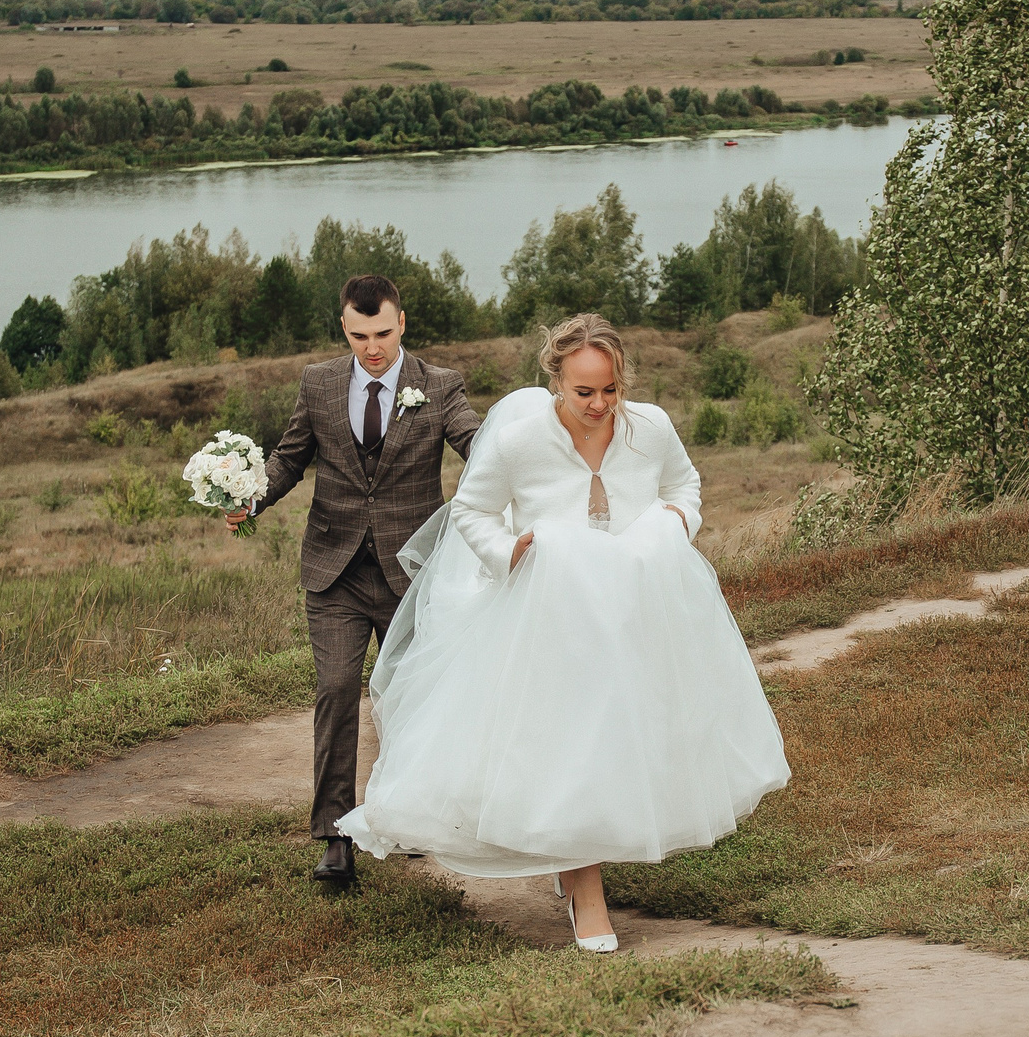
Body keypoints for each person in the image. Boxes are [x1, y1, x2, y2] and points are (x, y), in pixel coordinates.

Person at [338, 313, 789, 949]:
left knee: (624, 734)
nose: (600, 404)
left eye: (610, 389)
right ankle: (585, 891)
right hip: (552, 612)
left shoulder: (650, 427)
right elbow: (472, 507)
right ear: (557, 384)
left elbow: (685, 485)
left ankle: (580, 856)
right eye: (584, 392)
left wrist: (673, 526)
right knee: (567, 739)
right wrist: (507, 553)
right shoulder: (521, 441)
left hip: (637, 603)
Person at [234, 274, 483, 886]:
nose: (372, 347)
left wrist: (525, 477)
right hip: (334, 569)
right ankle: (337, 835)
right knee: (339, 690)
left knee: (412, 700)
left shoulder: (440, 386)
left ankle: (411, 818)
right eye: (358, 335)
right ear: (343, 329)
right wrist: (251, 497)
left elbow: (476, 446)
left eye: (382, 333)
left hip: (412, 576)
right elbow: (290, 456)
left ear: (402, 324)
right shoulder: (318, 383)